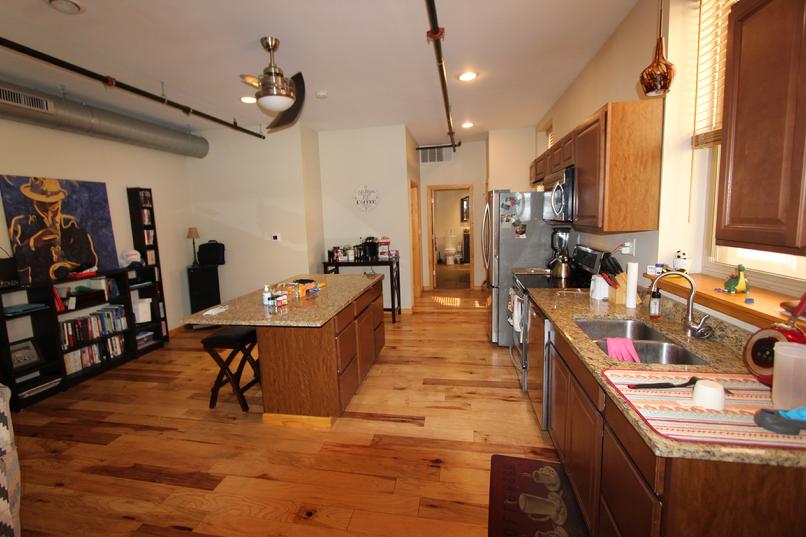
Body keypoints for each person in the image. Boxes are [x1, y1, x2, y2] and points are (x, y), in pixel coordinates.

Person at [8, 177, 98, 284]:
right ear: (35, 201)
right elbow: (17, 265)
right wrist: (32, 244)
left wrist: (68, 264)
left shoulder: (72, 223)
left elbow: (91, 260)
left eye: (54, 202)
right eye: (44, 202)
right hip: (42, 287)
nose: (50, 207)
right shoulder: (20, 224)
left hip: (74, 282)